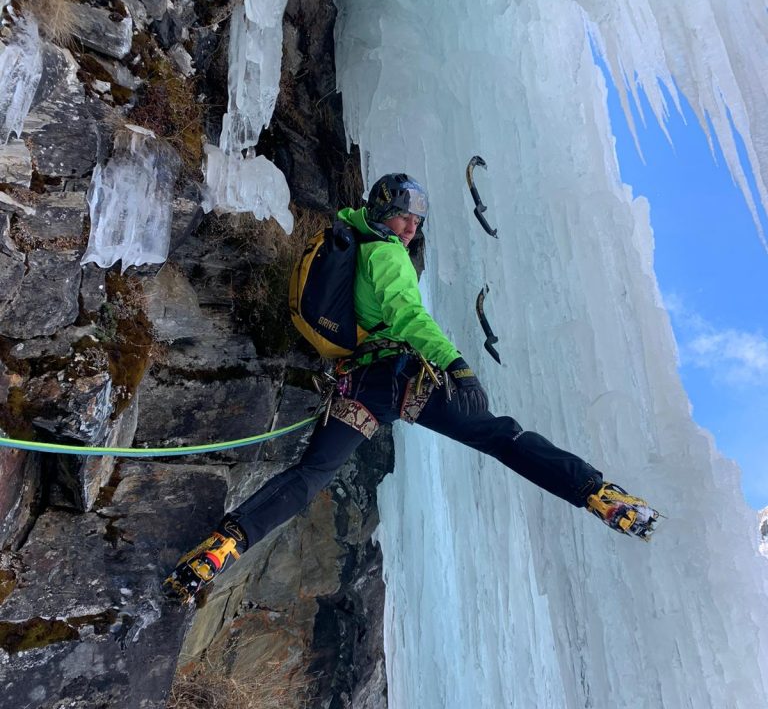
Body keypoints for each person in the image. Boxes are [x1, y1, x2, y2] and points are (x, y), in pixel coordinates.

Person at [164, 174, 658, 606]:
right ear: (384, 211)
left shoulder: (353, 245)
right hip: (400, 379)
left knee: (312, 473)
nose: (411, 229)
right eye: (405, 217)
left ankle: (225, 545)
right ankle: (594, 493)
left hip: (358, 388)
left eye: (416, 223)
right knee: (499, 436)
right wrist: (456, 364)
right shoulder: (386, 254)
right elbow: (406, 313)